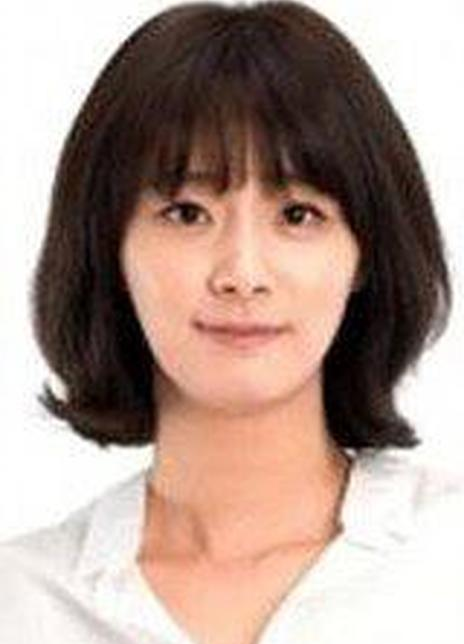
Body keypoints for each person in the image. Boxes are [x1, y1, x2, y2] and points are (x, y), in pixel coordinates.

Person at [1, 1, 463, 643]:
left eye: (298, 215)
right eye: (188, 213)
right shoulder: (21, 603)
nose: (242, 274)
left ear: (365, 254)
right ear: (109, 248)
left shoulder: (448, 558)